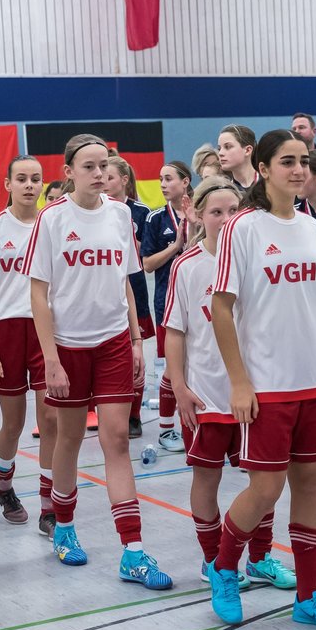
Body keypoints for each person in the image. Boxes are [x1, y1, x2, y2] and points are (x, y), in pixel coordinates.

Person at [206, 129, 316, 630]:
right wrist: (239, 381)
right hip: (267, 384)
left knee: (310, 485)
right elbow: (220, 308)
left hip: (315, 379)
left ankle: (309, 598)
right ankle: (224, 568)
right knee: (265, 490)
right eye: (287, 161)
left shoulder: (312, 226)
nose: (299, 170)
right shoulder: (242, 227)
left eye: (304, 162)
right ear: (263, 168)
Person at [27, 134, 172, 588]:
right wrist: (50, 357)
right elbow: (38, 291)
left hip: (112, 342)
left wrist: (135, 340)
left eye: (103, 166)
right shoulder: (52, 218)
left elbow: (126, 281)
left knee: (117, 440)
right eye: (88, 166)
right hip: (68, 346)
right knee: (69, 438)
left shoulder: (120, 215)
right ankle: (64, 526)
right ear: (69, 172)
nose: (98, 173)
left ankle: (132, 549)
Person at [166, 176, 296, 590]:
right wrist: (180, 386)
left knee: (265, 481)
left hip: (257, 394)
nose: (224, 220)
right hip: (207, 395)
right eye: (215, 212)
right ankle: (212, 560)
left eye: (231, 211)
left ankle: (259, 557)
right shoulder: (187, 267)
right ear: (197, 215)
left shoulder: (258, 257)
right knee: (207, 478)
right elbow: (175, 331)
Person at [0, 155, 56, 528]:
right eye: (21, 178)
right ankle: (3, 483)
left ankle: (49, 505)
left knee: (50, 419)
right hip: (5, 332)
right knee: (14, 422)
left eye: (36, 178)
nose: (29, 185)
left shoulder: (52, 226)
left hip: (45, 331)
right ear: (7, 184)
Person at [142, 160, 195, 452]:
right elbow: (147, 264)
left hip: (200, 302)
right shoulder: (155, 219)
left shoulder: (200, 212)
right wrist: (175, 247)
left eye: (169, 178)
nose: (163, 184)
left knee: (199, 366)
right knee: (173, 370)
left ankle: (198, 424)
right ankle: (165, 429)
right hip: (168, 303)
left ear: (185, 182)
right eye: (160, 179)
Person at [103, 156, 150, 439]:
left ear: (124, 180)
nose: (104, 181)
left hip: (135, 288)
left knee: (135, 355)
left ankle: (134, 415)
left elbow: (141, 253)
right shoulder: (99, 211)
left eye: (110, 177)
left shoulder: (140, 212)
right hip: (108, 292)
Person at [217, 124, 258, 190]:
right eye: (219, 149)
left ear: (247, 150)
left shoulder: (269, 185)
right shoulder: (225, 192)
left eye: (227, 147)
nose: (220, 153)